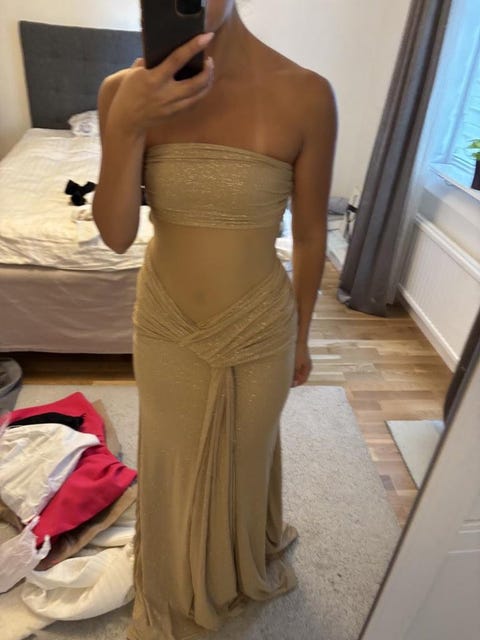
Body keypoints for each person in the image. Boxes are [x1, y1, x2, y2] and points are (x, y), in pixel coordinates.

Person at [92, 1, 337, 638]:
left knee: (244, 456)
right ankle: (176, 579)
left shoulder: (307, 94)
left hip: (260, 326)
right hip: (165, 322)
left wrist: (302, 336)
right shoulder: (122, 92)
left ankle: (233, 563)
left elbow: (311, 236)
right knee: (173, 459)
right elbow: (116, 236)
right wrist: (127, 126)